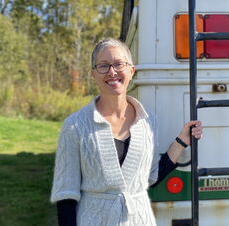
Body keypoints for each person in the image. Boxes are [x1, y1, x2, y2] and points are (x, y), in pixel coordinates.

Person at [50, 38, 202, 226]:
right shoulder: (75, 126)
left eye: (118, 64)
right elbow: (66, 194)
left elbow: (150, 177)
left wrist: (181, 141)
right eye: (103, 66)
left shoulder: (147, 122)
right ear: (93, 74)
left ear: (131, 71)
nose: (112, 72)